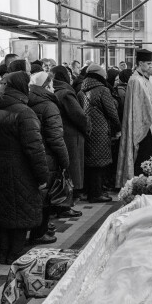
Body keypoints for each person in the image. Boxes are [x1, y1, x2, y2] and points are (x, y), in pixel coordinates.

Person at [0, 72, 49, 264]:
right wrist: (42, 176)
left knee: (2, 210)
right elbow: (34, 148)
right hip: (20, 168)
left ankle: (4, 252)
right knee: (21, 212)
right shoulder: (24, 112)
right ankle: (15, 254)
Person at [28, 71, 68, 244]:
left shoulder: (28, 99)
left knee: (38, 195)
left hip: (34, 153)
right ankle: (40, 232)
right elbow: (56, 138)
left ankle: (39, 229)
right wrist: (65, 161)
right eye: (51, 85)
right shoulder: (49, 105)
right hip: (48, 156)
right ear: (47, 86)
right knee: (46, 197)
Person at [116, 49, 152, 184]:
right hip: (140, 122)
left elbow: (151, 99)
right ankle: (140, 183)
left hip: (148, 121)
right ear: (140, 63)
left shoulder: (144, 78)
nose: (151, 67)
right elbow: (140, 105)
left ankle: (146, 182)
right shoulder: (135, 80)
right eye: (148, 64)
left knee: (147, 153)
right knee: (143, 154)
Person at [79, 64, 121, 203]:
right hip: (101, 130)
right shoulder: (103, 90)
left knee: (91, 162)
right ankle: (96, 194)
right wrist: (118, 127)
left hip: (87, 130)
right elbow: (111, 112)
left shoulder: (81, 90)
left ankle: (91, 192)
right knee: (99, 163)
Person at [51, 65, 88, 209]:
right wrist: (87, 128)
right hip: (72, 135)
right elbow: (79, 115)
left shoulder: (55, 91)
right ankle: (70, 198)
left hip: (63, 133)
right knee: (73, 167)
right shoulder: (66, 93)